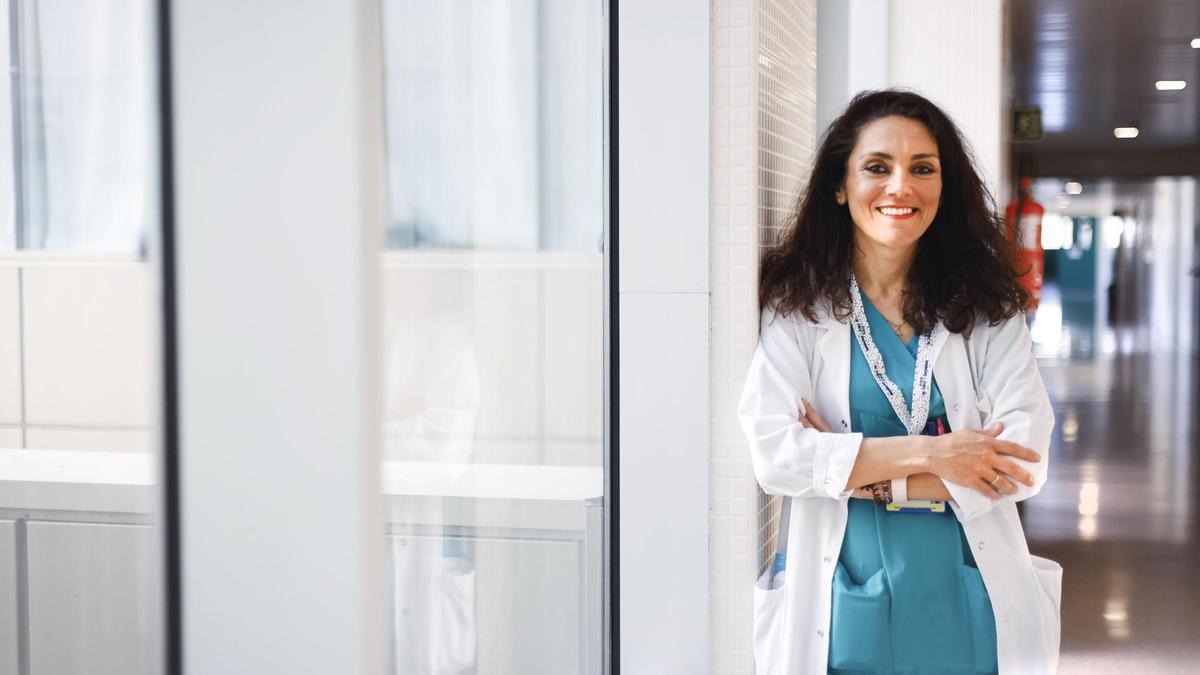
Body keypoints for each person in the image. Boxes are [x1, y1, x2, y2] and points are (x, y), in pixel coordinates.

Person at [739, 90, 1061, 674]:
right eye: (876, 167)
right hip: (841, 597)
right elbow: (776, 456)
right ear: (840, 186)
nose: (899, 187)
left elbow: (1024, 462)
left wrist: (860, 477)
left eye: (922, 169)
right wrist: (942, 454)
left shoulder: (988, 311)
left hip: (970, 596)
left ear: (945, 186)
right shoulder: (800, 308)